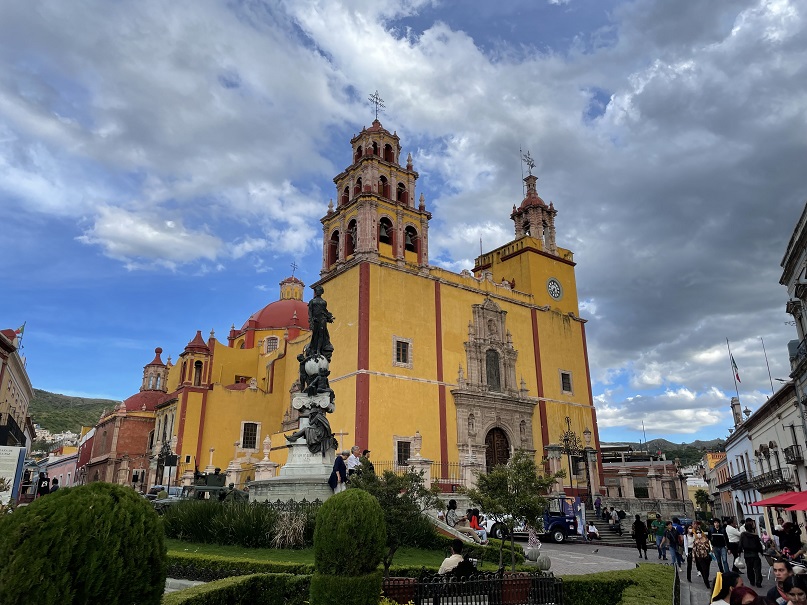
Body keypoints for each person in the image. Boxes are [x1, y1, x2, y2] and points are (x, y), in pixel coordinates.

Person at [739, 518, 765, 588]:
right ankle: (758, 582)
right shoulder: (755, 536)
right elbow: (759, 545)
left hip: (747, 554)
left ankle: (752, 580)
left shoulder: (743, 535)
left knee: (749, 568)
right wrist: (761, 552)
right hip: (755, 554)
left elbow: (740, 544)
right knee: (757, 569)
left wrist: (739, 552)